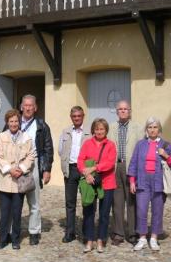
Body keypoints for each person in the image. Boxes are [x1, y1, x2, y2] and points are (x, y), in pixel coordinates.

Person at [128, 117, 171, 252]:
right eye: (150, 127)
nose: (152, 130)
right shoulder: (140, 145)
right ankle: (142, 237)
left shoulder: (166, 145)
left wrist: (166, 156)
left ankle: (154, 238)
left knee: (157, 211)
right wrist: (132, 181)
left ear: (159, 130)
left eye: (155, 127)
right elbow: (133, 163)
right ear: (146, 130)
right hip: (143, 182)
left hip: (159, 183)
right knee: (141, 210)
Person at [0, 109, 35, 250]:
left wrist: (22, 169)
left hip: (20, 179)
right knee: (5, 211)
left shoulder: (26, 137)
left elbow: (31, 156)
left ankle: (16, 240)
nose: (13, 124)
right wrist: (9, 169)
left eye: (16, 121)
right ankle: (3, 239)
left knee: (17, 212)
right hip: (6, 179)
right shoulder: (2, 137)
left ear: (19, 122)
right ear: (7, 122)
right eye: (11, 121)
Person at [78, 118, 117, 253]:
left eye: (102, 129)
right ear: (93, 130)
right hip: (89, 182)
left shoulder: (111, 145)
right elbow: (80, 160)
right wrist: (86, 174)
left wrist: (94, 168)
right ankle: (89, 239)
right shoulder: (87, 144)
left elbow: (110, 163)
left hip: (107, 183)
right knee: (88, 212)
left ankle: (101, 239)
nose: (99, 131)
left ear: (106, 130)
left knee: (104, 213)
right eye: (97, 129)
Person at [107, 99, 143, 246]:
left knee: (132, 201)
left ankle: (133, 232)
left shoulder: (138, 128)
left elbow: (141, 151)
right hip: (116, 167)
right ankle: (118, 233)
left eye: (125, 109)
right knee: (117, 202)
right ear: (117, 112)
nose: (123, 111)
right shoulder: (111, 128)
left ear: (130, 111)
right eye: (120, 109)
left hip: (131, 167)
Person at [19, 94, 54, 245]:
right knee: (15, 201)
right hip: (16, 165)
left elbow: (48, 148)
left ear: (35, 108)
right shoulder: (12, 122)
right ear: (21, 107)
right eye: (25, 105)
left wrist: (46, 169)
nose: (28, 108)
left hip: (34, 164)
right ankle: (13, 231)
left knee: (34, 201)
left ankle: (34, 231)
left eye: (30, 105)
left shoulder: (41, 125)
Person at [58, 106, 90, 243]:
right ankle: (70, 232)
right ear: (71, 117)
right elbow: (60, 150)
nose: (77, 118)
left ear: (83, 116)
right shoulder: (65, 131)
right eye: (74, 116)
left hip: (85, 170)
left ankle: (86, 232)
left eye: (79, 116)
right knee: (70, 203)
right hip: (70, 170)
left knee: (86, 202)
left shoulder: (90, 132)